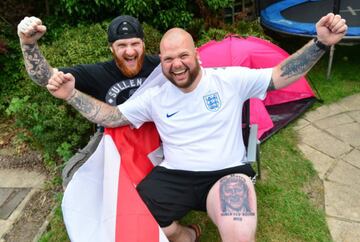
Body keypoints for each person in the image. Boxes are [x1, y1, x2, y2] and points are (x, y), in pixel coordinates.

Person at [46, 13, 347, 242]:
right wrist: (71, 94)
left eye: (183, 56)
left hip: (225, 172)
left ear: (197, 55)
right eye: (168, 59)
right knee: (135, 210)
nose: (176, 64)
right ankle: (183, 235)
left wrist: (320, 42)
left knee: (239, 229)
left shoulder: (229, 79)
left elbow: (280, 74)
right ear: (160, 61)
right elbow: (112, 116)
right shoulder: (154, 96)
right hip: (175, 174)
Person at [17, 15, 160, 187]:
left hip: (154, 134)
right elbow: (45, 77)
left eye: (135, 43)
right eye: (121, 45)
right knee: (74, 177)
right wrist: (28, 43)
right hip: (110, 137)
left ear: (143, 44)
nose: (130, 51)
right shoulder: (98, 73)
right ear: (111, 49)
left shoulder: (160, 66)